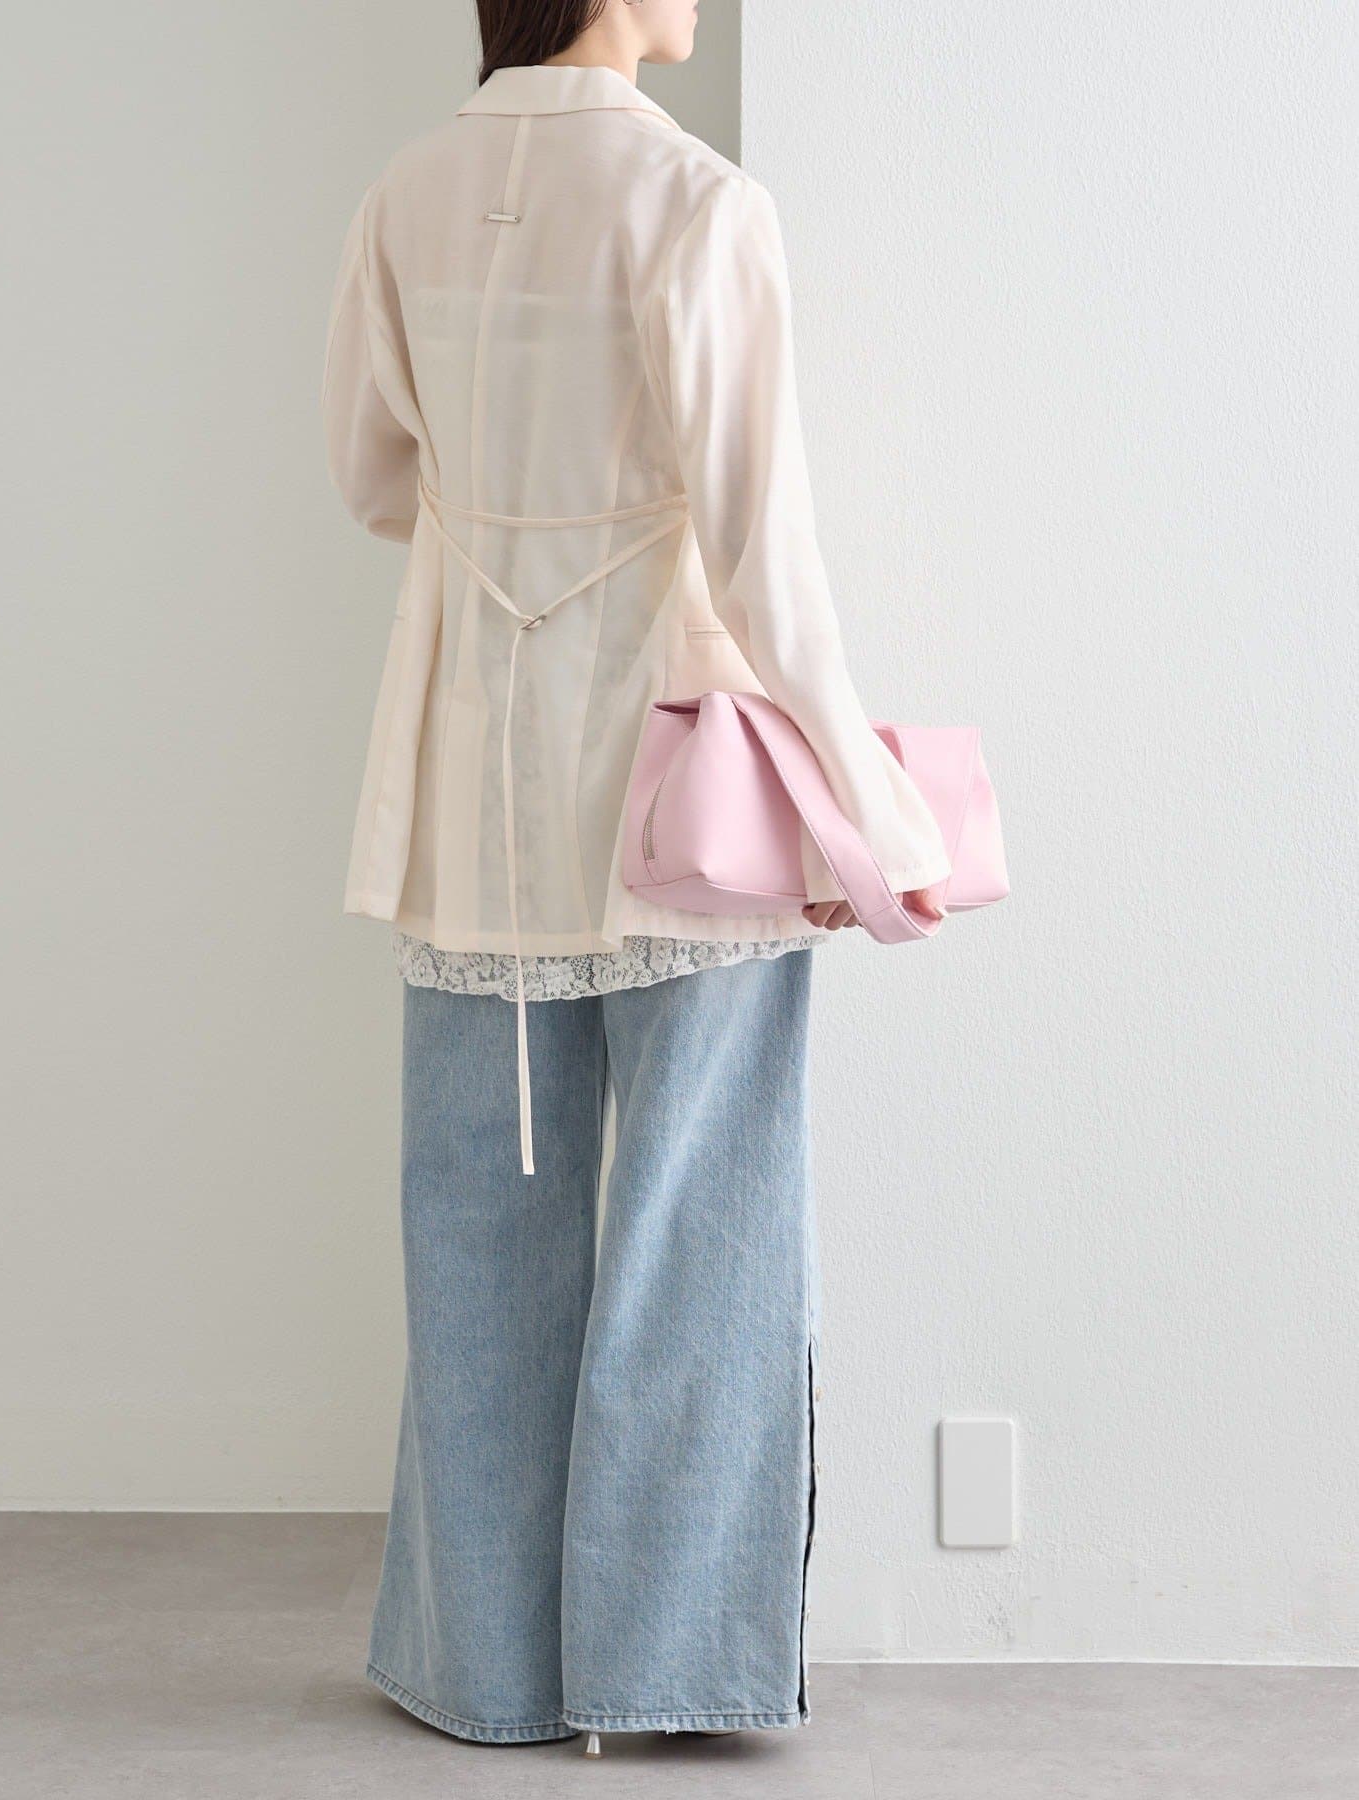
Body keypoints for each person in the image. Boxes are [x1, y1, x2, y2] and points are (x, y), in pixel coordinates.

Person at [321, 0, 950, 1756]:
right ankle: (660, 1671)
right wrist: (878, 820)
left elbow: (368, 478)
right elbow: (765, 561)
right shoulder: (700, 204)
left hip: (469, 781)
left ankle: (485, 1673)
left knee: (476, 1225)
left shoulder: (405, 193)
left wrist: (515, 524)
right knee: (701, 1231)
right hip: (684, 791)